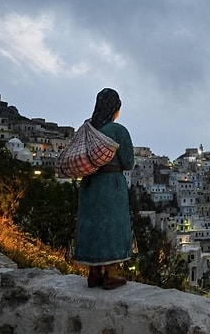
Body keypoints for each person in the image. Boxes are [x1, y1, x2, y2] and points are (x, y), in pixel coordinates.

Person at [74, 88, 135, 290]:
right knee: (112, 225)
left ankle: (93, 274)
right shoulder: (118, 131)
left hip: (89, 184)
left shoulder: (88, 129)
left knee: (91, 224)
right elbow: (128, 162)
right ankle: (111, 274)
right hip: (111, 185)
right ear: (115, 109)